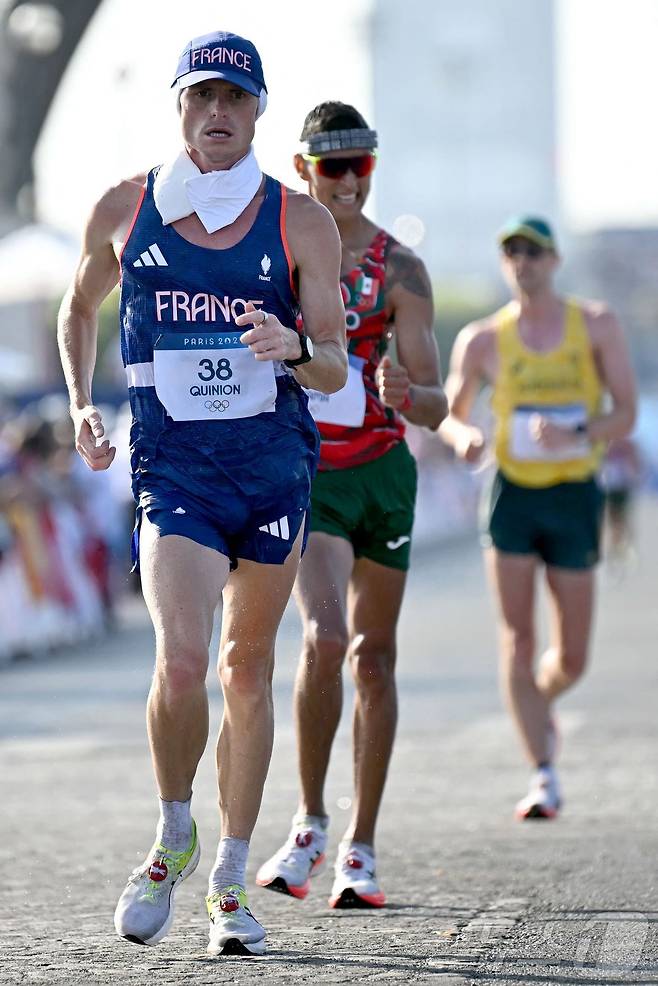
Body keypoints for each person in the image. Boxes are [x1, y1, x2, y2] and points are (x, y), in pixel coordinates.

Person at [57, 31, 347, 957]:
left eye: (236, 99)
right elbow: (78, 306)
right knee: (183, 661)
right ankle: (171, 832)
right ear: (178, 107)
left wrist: (293, 348)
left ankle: (228, 876)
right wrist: (80, 408)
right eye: (200, 97)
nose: (217, 113)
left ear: (259, 110)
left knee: (245, 670)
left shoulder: (300, 221)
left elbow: (338, 368)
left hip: (270, 470)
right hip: (173, 472)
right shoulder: (123, 205)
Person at [256, 102, 447, 907]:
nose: (345, 180)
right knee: (326, 637)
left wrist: (413, 390)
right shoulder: (278, 256)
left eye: (358, 165)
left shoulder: (401, 270)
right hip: (314, 476)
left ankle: (361, 848)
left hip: (385, 473)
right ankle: (308, 821)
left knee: (375, 655)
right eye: (329, 166)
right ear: (302, 169)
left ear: (372, 168)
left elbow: (437, 406)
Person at [439, 216, 636, 819]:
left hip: (575, 493)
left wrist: (576, 429)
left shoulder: (595, 323)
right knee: (518, 637)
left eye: (533, 251)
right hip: (514, 496)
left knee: (572, 656)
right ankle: (542, 772)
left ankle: (538, 699)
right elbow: (451, 413)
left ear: (553, 261)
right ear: (506, 265)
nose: (522, 262)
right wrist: (467, 436)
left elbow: (624, 414)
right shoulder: (482, 338)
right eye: (512, 253)